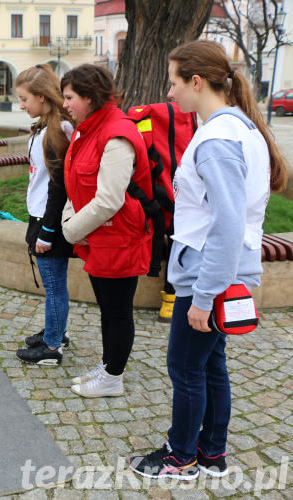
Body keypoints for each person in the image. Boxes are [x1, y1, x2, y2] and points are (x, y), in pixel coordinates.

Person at [129, 40, 288, 481]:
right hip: (223, 271)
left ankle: (182, 458)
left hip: (207, 274)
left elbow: (227, 224)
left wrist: (202, 296)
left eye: (174, 82)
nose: (170, 93)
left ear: (196, 82)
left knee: (185, 367)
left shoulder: (218, 138)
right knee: (209, 363)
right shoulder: (242, 129)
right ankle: (212, 453)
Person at [60, 64, 154, 398]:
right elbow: (76, 184)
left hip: (120, 239)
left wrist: (70, 231)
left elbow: (109, 199)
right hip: (101, 237)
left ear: (89, 95)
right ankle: (108, 364)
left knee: (117, 310)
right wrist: (71, 222)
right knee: (107, 308)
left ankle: (113, 376)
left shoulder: (116, 134)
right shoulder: (89, 129)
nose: (65, 104)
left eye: (70, 97)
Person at [12, 64, 75, 367]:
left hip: (49, 221)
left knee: (54, 287)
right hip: (40, 216)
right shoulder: (44, 127)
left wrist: (48, 231)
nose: (21, 105)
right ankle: (56, 332)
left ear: (41, 96)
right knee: (55, 285)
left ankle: (51, 349)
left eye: (24, 99)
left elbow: (59, 186)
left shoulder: (58, 131)